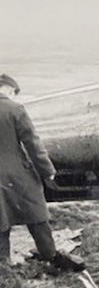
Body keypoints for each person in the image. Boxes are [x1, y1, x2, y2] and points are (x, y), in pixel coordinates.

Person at [0, 74, 85, 271]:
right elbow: (33, 144)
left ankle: (3, 266)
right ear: (10, 90)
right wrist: (47, 171)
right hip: (17, 175)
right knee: (36, 214)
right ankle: (50, 255)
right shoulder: (15, 109)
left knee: (1, 221)